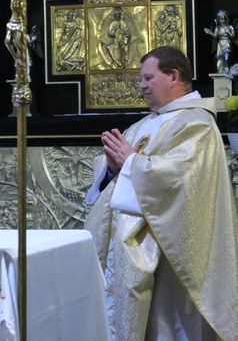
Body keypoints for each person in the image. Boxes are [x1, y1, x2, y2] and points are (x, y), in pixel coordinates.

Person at [84, 46, 238, 340]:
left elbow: (181, 180)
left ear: (174, 76)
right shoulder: (143, 125)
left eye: (148, 77)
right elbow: (116, 176)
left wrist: (130, 162)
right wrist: (116, 168)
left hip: (171, 257)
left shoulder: (197, 123)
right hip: (132, 252)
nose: (141, 85)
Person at [203, 9, 235, 74]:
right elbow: (215, 36)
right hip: (220, 43)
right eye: (220, 19)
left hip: (227, 42)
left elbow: (233, 36)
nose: (222, 21)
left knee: (226, 56)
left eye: (223, 19)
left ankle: (226, 69)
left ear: (226, 19)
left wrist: (228, 32)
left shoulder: (230, 27)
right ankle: (220, 70)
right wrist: (210, 33)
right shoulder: (218, 28)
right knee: (220, 57)